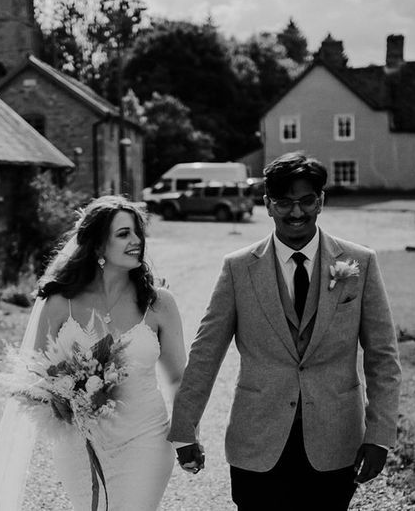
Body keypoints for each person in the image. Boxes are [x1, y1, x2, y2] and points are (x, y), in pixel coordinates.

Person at [169, 152, 402, 510]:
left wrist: (380, 435)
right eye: (284, 202)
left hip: (335, 440)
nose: (296, 213)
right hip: (257, 443)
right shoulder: (238, 269)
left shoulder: (360, 262)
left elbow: (383, 358)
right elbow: (205, 353)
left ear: (321, 201)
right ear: (267, 204)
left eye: (306, 200)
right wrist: (186, 429)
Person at [0, 195, 187, 511]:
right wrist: (61, 399)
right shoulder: (59, 303)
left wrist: (186, 437)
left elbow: (180, 377)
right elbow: (33, 376)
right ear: (98, 246)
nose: (136, 241)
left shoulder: (159, 303)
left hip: (146, 439)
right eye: (124, 234)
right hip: (80, 444)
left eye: (138, 233)